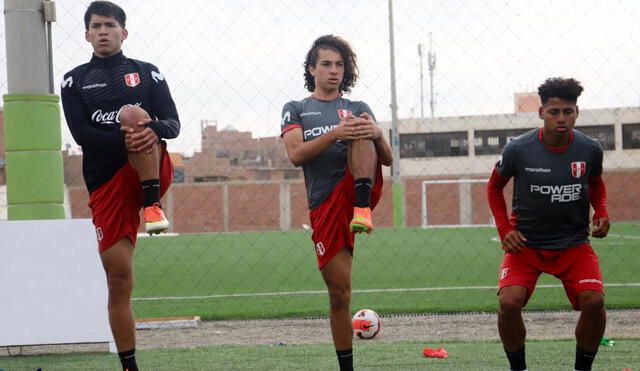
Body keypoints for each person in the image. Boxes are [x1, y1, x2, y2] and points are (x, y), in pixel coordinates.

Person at [60, 2, 180, 370]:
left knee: (132, 114)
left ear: (123, 32)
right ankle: (130, 366)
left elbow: (173, 125)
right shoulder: (74, 80)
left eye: (110, 25)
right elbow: (82, 135)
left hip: (150, 171)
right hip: (105, 182)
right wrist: (124, 140)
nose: (103, 32)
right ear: (86, 35)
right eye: (95, 26)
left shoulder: (148, 73)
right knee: (118, 279)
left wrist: (146, 131)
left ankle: (152, 205)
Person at [280, 35, 392, 371]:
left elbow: (386, 159)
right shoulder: (296, 108)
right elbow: (296, 155)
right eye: (326, 64)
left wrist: (377, 133)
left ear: (347, 70)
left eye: (339, 64)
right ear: (312, 69)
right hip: (325, 202)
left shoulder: (358, 109)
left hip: (357, 190)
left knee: (362, 131)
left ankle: (361, 208)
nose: (333, 70)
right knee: (339, 294)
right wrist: (335, 134)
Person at [487, 77, 609, 371]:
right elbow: (493, 187)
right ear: (541, 113)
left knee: (594, 302)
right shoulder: (519, 149)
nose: (561, 118)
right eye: (554, 112)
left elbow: (596, 183)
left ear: (577, 112)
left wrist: (601, 210)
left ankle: (583, 368)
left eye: (568, 111)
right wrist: (505, 230)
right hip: (526, 244)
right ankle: (519, 368)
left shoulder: (590, 149)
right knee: (509, 303)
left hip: (573, 243)